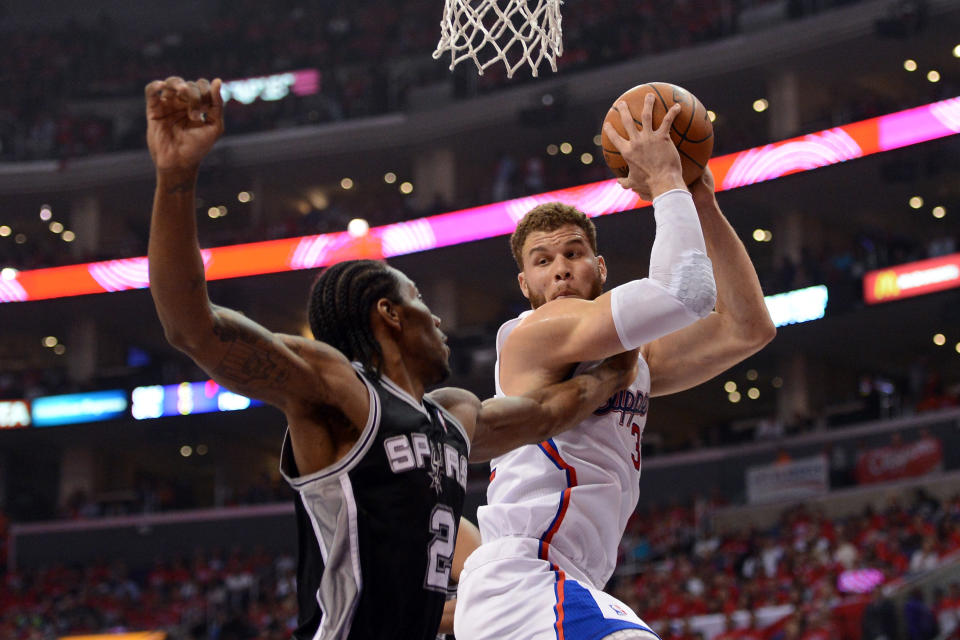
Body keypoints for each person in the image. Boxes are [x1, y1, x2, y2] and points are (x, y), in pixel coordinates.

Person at [145, 76, 639, 640]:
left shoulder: (451, 416)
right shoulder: (336, 392)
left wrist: (617, 370)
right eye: (420, 301)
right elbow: (194, 329)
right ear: (390, 314)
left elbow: (552, 411)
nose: (437, 320)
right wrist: (176, 179)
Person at [455, 94, 777, 639]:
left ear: (600, 267)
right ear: (524, 286)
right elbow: (684, 291)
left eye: (574, 254)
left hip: (566, 582)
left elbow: (747, 328)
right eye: (543, 261)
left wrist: (700, 200)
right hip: (525, 578)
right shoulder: (532, 336)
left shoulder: (635, 361)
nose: (560, 270)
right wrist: (668, 177)